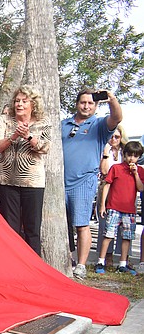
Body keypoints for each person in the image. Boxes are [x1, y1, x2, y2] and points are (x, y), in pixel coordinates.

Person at [61, 88, 122, 278]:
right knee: (61, 225)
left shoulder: (99, 125)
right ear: (76, 104)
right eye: (82, 102)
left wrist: (111, 99)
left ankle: (81, 265)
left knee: (81, 224)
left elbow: (117, 118)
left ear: (95, 106)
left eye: (90, 103)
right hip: (59, 183)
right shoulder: (63, 124)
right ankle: (66, 261)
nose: (86, 106)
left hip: (83, 182)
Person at [0, 86, 52, 256]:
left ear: (33, 104)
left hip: (32, 183)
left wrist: (29, 136)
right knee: (10, 229)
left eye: (24, 101)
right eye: (17, 101)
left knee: (32, 229)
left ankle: (34, 267)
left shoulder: (43, 122)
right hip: (6, 181)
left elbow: (45, 147)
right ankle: (10, 265)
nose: (19, 104)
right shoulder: (4, 120)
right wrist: (13, 137)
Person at [95, 140, 144, 275]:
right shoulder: (116, 168)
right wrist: (103, 205)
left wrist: (135, 174)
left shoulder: (140, 171)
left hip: (129, 210)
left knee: (127, 237)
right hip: (114, 207)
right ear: (124, 154)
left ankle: (123, 264)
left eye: (135, 156)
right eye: (129, 155)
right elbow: (107, 185)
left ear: (139, 157)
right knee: (108, 235)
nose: (132, 158)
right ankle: (101, 261)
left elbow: (141, 188)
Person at [96, 125, 127, 267]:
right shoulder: (103, 149)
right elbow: (104, 171)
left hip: (123, 189)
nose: (113, 139)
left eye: (117, 137)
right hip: (107, 187)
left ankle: (123, 257)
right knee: (105, 223)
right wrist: (105, 153)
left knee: (125, 225)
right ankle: (106, 256)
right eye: (111, 136)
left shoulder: (126, 152)